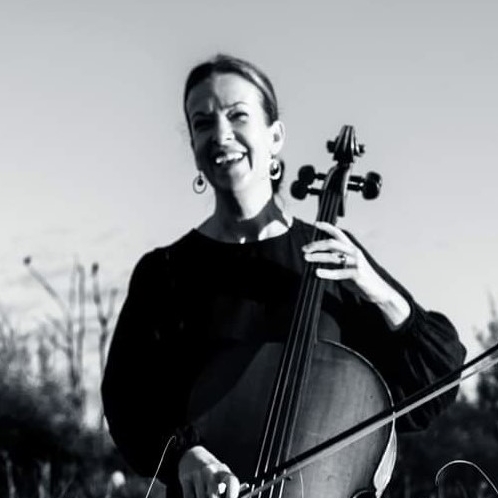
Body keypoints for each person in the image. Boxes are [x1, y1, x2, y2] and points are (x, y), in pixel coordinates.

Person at [101, 54, 466, 498]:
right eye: (203, 122)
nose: (221, 134)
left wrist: (377, 289)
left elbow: (433, 386)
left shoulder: (332, 258)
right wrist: (184, 455)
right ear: (193, 144)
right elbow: (127, 403)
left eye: (238, 115)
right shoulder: (164, 274)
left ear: (275, 137)